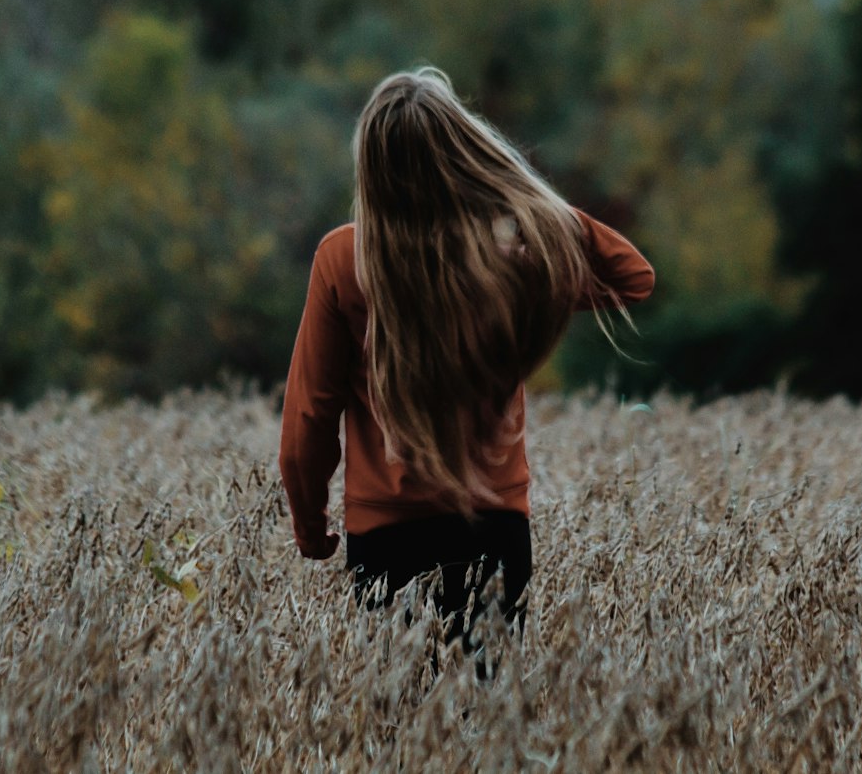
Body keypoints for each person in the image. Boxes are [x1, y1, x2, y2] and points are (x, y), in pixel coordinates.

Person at [278, 66, 655, 652]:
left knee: (399, 727)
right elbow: (631, 275)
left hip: (383, 536)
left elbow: (309, 418)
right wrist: (525, 202)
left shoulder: (342, 258)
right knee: (488, 725)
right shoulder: (504, 258)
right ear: (464, 154)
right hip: (493, 528)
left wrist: (309, 525)